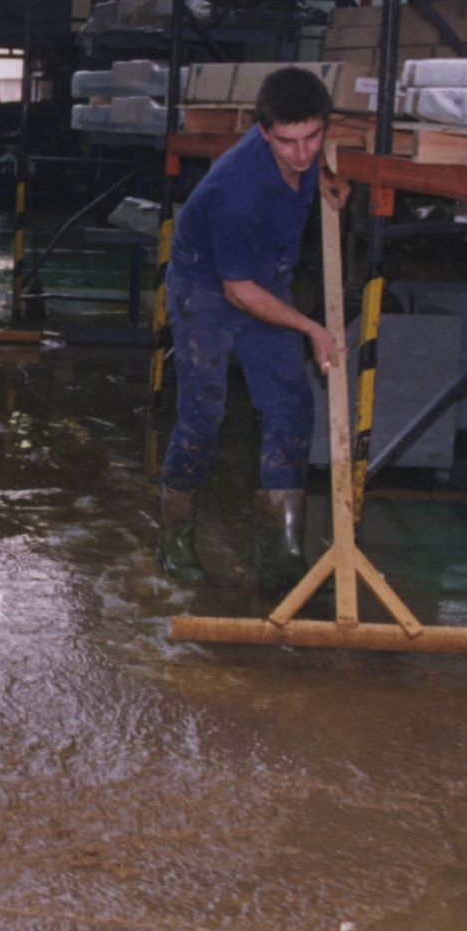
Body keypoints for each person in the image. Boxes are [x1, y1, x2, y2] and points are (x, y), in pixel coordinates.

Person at [158, 67, 347, 588]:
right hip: (206, 290)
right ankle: (174, 536)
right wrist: (312, 327)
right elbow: (236, 291)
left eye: (313, 138)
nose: (302, 153)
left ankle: (281, 551)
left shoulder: (305, 153)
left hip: (262, 279)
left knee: (291, 402)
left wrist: (329, 178)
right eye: (287, 142)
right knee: (203, 413)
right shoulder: (238, 187)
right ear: (263, 134)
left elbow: (314, 164)